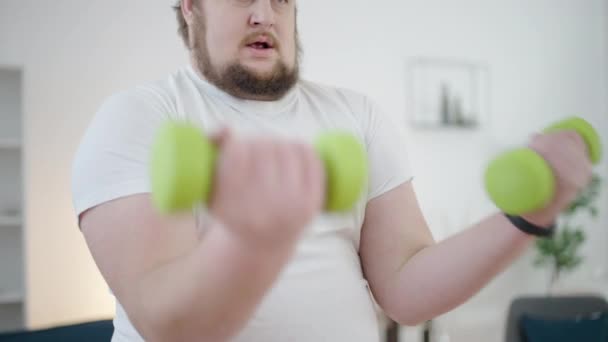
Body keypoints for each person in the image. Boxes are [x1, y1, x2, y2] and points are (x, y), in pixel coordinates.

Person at [70, 1, 594, 341]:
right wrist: (256, 239)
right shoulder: (142, 117)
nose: (264, 15)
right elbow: (169, 323)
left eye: (280, 0)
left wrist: (529, 216)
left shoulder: (354, 116)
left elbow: (407, 291)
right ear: (190, 9)